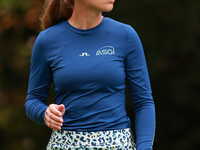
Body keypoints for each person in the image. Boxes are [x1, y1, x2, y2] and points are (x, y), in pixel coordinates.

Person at [25, 0, 156, 149]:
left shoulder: (126, 35)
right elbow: (33, 100)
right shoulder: (46, 40)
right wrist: (45, 113)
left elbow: (144, 102)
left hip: (118, 144)